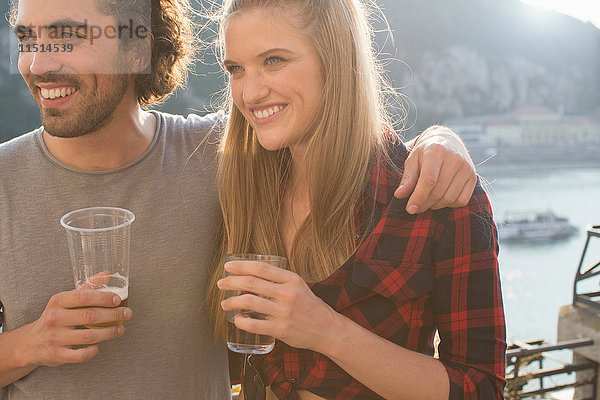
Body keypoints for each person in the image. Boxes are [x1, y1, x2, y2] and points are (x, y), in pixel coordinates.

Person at [0, 0, 479, 399]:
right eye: (26, 39)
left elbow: (320, 128)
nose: (39, 63)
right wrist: (27, 345)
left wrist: (439, 142)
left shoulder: (222, 158)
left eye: (68, 36)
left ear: (135, 46)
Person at [211, 0, 506, 399]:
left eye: (274, 60)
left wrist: (326, 331)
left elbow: (481, 389)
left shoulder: (434, 196)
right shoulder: (239, 185)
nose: (249, 91)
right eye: (236, 69)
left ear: (335, 59)